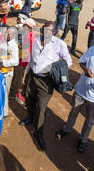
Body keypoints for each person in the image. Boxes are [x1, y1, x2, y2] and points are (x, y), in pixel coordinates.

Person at [19, 21, 72, 151]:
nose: (45, 33)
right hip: (32, 76)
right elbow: (31, 60)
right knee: (29, 100)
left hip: (46, 81)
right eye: (44, 30)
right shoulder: (37, 40)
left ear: (54, 32)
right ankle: (29, 118)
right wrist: (26, 76)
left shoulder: (59, 44)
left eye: (49, 31)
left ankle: (39, 132)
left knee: (41, 107)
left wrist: (53, 70)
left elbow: (68, 61)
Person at [9, 17, 36, 101]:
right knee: (19, 75)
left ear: (28, 26)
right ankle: (15, 89)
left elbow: (23, 48)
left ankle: (13, 93)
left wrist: (16, 46)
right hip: (25, 59)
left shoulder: (27, 35)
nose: (23, 25)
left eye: (24, 24)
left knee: (17, 76)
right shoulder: (31, 34)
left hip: (22, 58)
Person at [0, 26, 19, 118]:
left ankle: (4, 112)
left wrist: (3, 63)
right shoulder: (4, 40)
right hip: (0, 71)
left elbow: (16, 61)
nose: (6, 35)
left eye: (8, 34)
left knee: (5, 92)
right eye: (6, 33)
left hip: (7, 73)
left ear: (13, 35)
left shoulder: (14, 46)